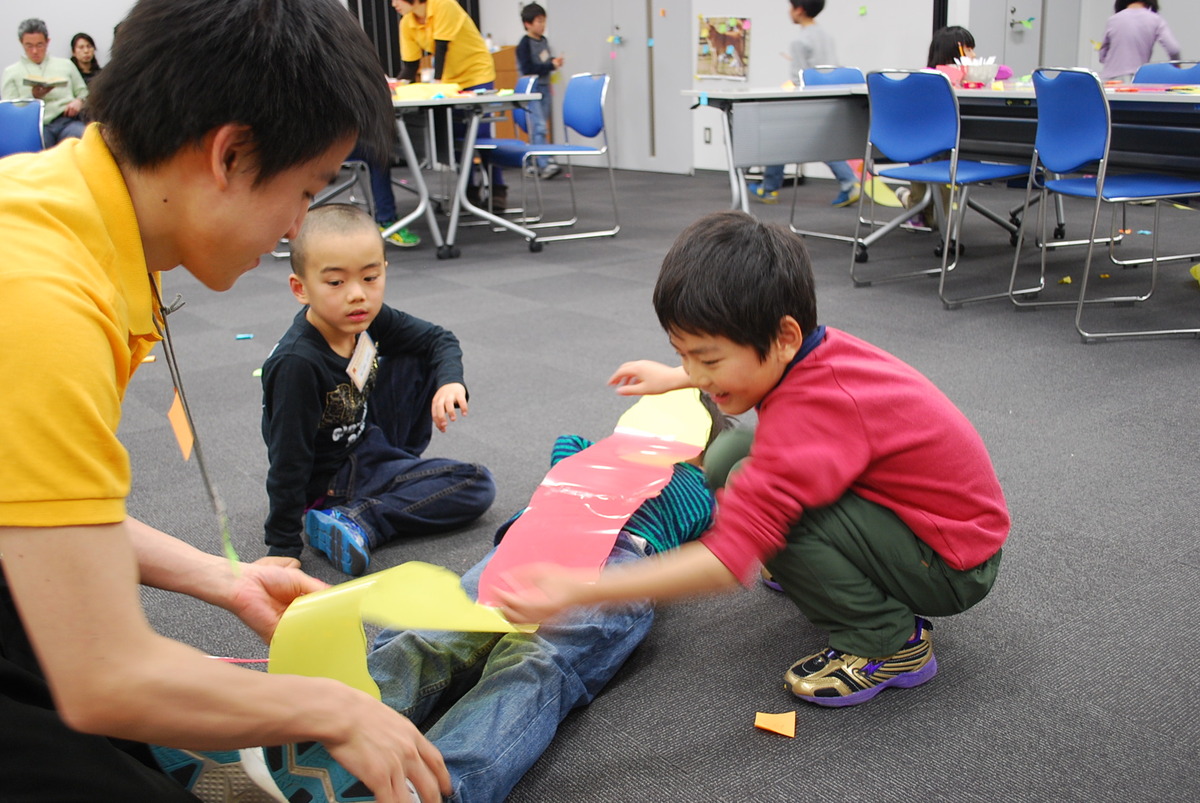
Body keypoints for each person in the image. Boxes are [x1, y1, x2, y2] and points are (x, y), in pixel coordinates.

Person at [0, 1, 452, 801]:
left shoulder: (63, 208)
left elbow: (36, 514)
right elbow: (102, 675)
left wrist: (225, 578)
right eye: (305, 190)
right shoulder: (40, 298)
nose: (296, 224)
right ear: (231, 153)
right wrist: (331, 708)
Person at [495, 211, 1010, 710]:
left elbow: (726, 564)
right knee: (730, 452)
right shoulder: (811, 353)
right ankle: (831, 571)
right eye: (683, 354)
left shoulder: (813, 410)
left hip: (950, 564)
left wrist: (583, 587)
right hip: (926, 522)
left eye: (708, 359)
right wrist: (675, 377)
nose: (697, 373)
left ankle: (890, 643)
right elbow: (756, 386)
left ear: (784, 337)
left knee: (762, 502)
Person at [259, 203, 496, 576]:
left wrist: (450, 381)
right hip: (330, 479)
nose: (357, 295)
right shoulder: (297, 364)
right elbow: (288, 457)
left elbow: (438, 339)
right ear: (300, 289)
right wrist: (283, 544)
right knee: (476, 483)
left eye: (370, 277)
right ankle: (358, 518)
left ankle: (394, 473)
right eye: (336, 283)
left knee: (415, 353)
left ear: (384, 270)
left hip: (366, 437)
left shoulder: (365, 318)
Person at [392, 0, 509, 209]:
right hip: (450, 81)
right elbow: (410, 66)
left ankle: (497, 188)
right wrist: (394, 86)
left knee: (479, 134)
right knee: (455, 136)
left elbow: (441, 46)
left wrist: (437, 84)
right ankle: (468, 190)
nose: (393, 4)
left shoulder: (443, 4)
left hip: (476, 75)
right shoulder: (407, 23)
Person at [748, 0, 859, 208]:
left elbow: (799, 78)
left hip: (810, 100)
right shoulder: (826, 36)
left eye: (791, 7)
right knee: (813, 141)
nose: (789, 12)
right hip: (832, 98)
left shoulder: (799, 41)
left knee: (783, 138)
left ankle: (769, 188)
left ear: (799, 10)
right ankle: (769, 187)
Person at [1, 18, 88, 146]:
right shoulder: (11, 72)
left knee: (82, 135)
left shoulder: (66, 65)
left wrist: (79, 101)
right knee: (39, 145)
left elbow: (83, 92)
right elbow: (10, 110)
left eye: (39, 45)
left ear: (47, 42)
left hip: (67, 121)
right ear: (21, 43)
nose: (35, 51)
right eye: (29, 46)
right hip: (35, 125)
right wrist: (33, 97)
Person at [516, 3, 563, 180]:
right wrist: (550, 66)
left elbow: (544, 60)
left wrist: (553, 62)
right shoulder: (524, 44)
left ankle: (532, 161)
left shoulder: (543, 41)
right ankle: (544, 163)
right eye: (539, 21)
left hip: (545, 87)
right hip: (531, 89)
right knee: (539, 126)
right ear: (528, 24)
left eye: (544, 21)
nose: (542, 25)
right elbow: (528, 68)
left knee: (540, 126)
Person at [1099, 0, 1181, 82]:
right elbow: (1174, 49)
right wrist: (1176, 67)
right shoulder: (1155, 19)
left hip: (1109, 80)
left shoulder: (1113, 20)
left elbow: (1102, 55)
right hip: (1136, 78)